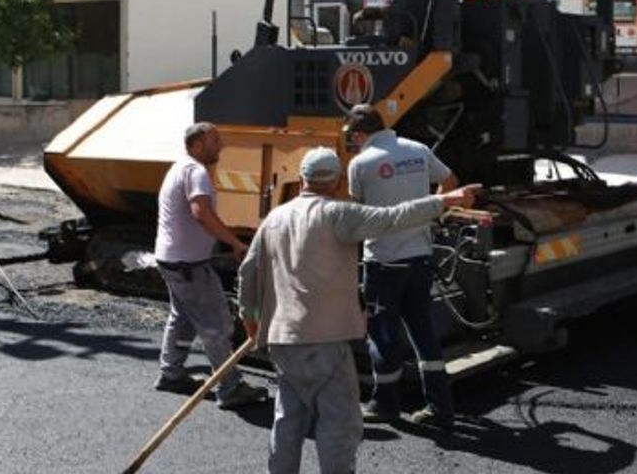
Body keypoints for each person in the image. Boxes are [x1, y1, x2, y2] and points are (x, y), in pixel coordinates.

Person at [238, 147, 479, 474]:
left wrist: (250, 320)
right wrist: (446, 200)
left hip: (282, 339)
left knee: (288, 418)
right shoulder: (337, 214)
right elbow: (392, 217)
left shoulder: (275, 218)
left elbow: (248, 271)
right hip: (325, 340)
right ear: (337, 181)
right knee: (339, 422)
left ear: (302, 179)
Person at [343, 104, 460, 429]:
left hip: (383, 261)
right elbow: (450, 181)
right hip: (420, 256)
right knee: (423, 331)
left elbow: (359, 215)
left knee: (383, 335)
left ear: (360, 133)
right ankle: (440, 406)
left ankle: (384, 403)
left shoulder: (361, 163)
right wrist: (433, 214)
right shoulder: (417, 149)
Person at [152, 122, 268, 409]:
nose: (221, 146)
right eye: (215, 141)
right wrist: (235, 243)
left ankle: (172, 372)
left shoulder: (179, 167)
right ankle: (230, 388)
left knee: (182, 317)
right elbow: (201, 213)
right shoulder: (196, 171)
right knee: (216, 323)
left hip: (172, 259)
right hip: (189, 265)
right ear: (198, 145)